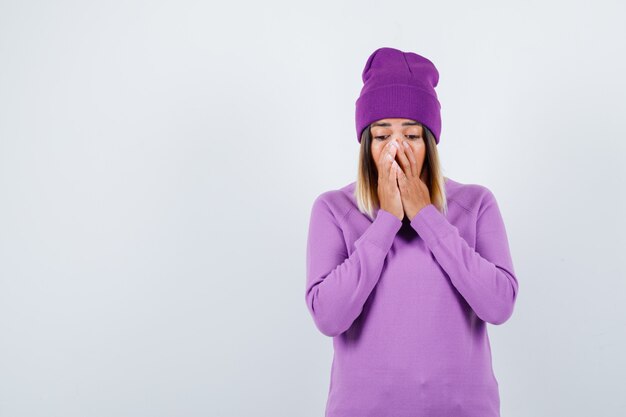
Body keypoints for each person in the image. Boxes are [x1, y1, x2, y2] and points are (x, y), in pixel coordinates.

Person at [305, 47, 519, 417]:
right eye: (382, 136)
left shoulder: (476, 203)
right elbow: (328, 317)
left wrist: (426, 216)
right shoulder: (333, 209)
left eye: (412, 136)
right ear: (366, 146)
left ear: (431, 144)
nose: (396, 149)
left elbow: (499, 306)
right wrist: (387, 219)